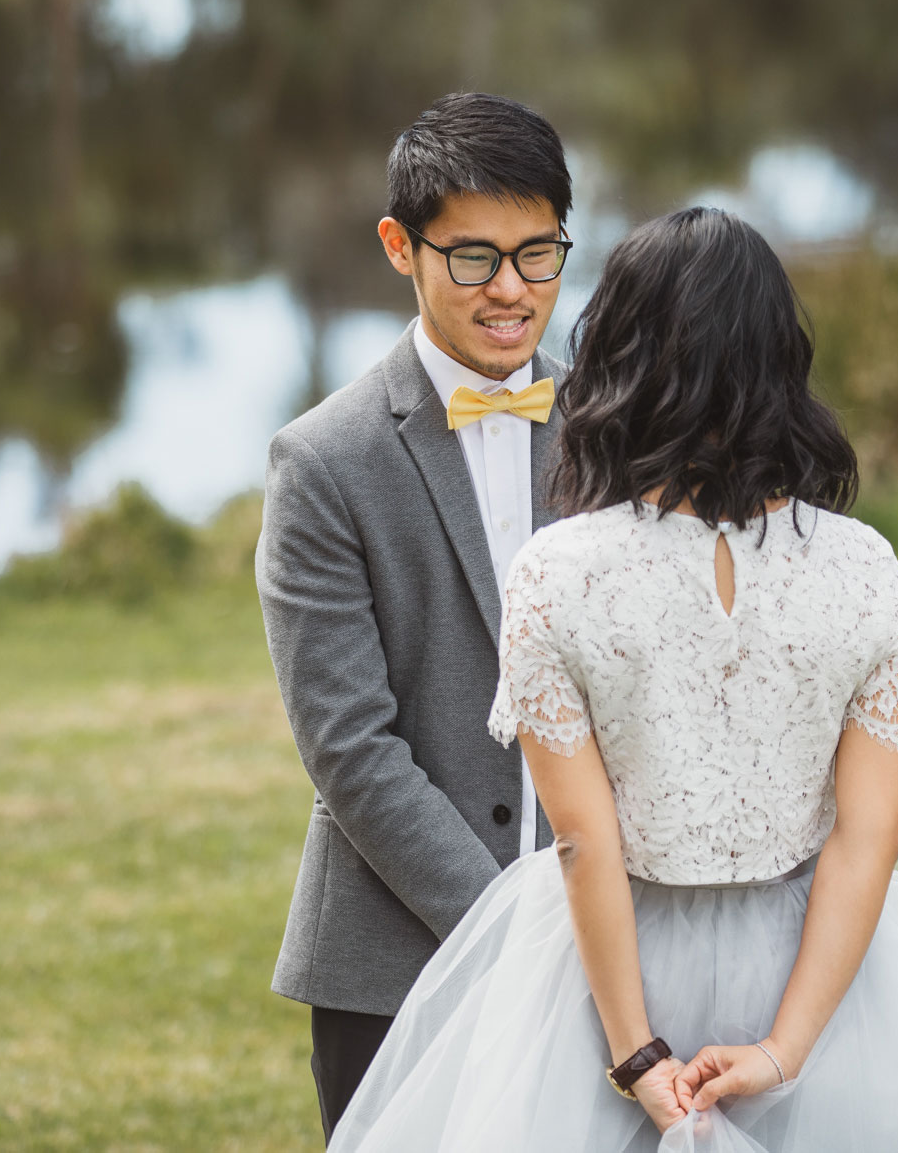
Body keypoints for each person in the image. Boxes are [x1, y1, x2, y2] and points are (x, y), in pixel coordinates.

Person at [325, 208, 898, 1152]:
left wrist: (636, 1052)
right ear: (781, 361)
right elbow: (868, 838)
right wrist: (783, 1049)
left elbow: (581, 840)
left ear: (614, 359)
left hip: (606, 972)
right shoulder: (866, 568)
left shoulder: (558, 573)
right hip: (826, 968)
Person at [254, 92, 578, 1141]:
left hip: (606, 951)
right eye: (474, 258)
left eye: (539, 254)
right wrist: (505, 927)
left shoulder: (613, 430)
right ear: (400, 246)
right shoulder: (322, 460)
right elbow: (349, 746)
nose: (512, 291)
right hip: (397, 963)